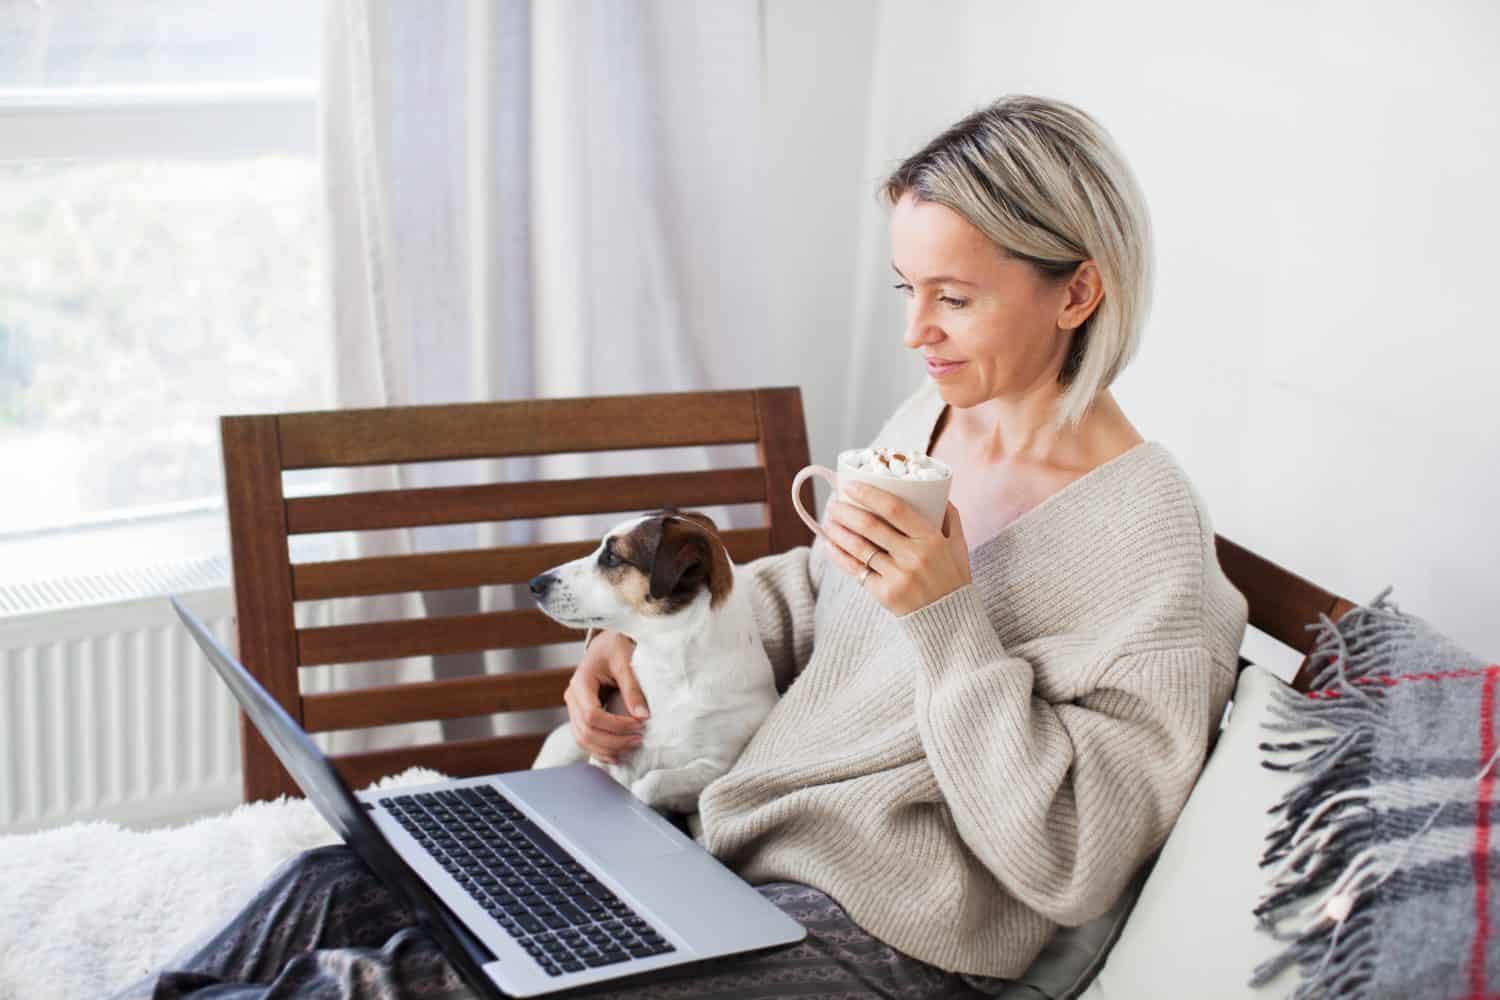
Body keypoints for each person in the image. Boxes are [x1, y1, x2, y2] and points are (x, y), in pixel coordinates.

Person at [114, 94, 1248, 1000]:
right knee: (336, 884)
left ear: (1077, 291)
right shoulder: (934, 426)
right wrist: (656, 627)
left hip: (886, 942)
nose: (914, 333)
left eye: (952, 297)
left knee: (398, 983)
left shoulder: (1151, 549)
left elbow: (1072, 858)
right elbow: (819, 601)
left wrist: (950, 618)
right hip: (724, 846)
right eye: (906, 289)